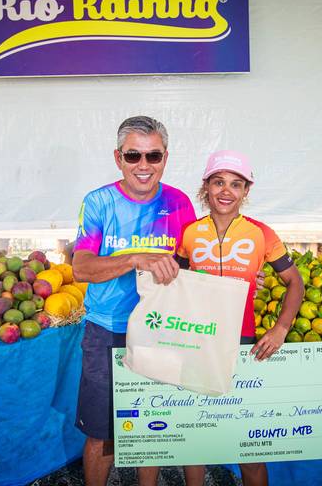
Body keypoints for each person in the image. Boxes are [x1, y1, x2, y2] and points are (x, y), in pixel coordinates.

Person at [71, 116, 196, 486]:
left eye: (153, 156)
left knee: (154, 425)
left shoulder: (179, 203)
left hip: (163, 329)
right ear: (118, 158)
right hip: (108, 330)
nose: (144, 165)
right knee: (102, 433)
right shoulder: (98, 202)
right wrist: (134, 259)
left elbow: (194, 266)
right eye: (133, 156)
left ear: (165, 158)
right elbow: (81, 268)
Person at [175, 150, 304, 486]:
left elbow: (295, 283)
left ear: (246, 190)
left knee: (249, 445)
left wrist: (281, 328)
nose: (226, 191)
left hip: (244, 345)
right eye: (218, 182)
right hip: (197, 344)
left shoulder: (262, 233)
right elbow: (177, 285)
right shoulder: (189, 233)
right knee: (194, 439)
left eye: (236, 184)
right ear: (206, 186)